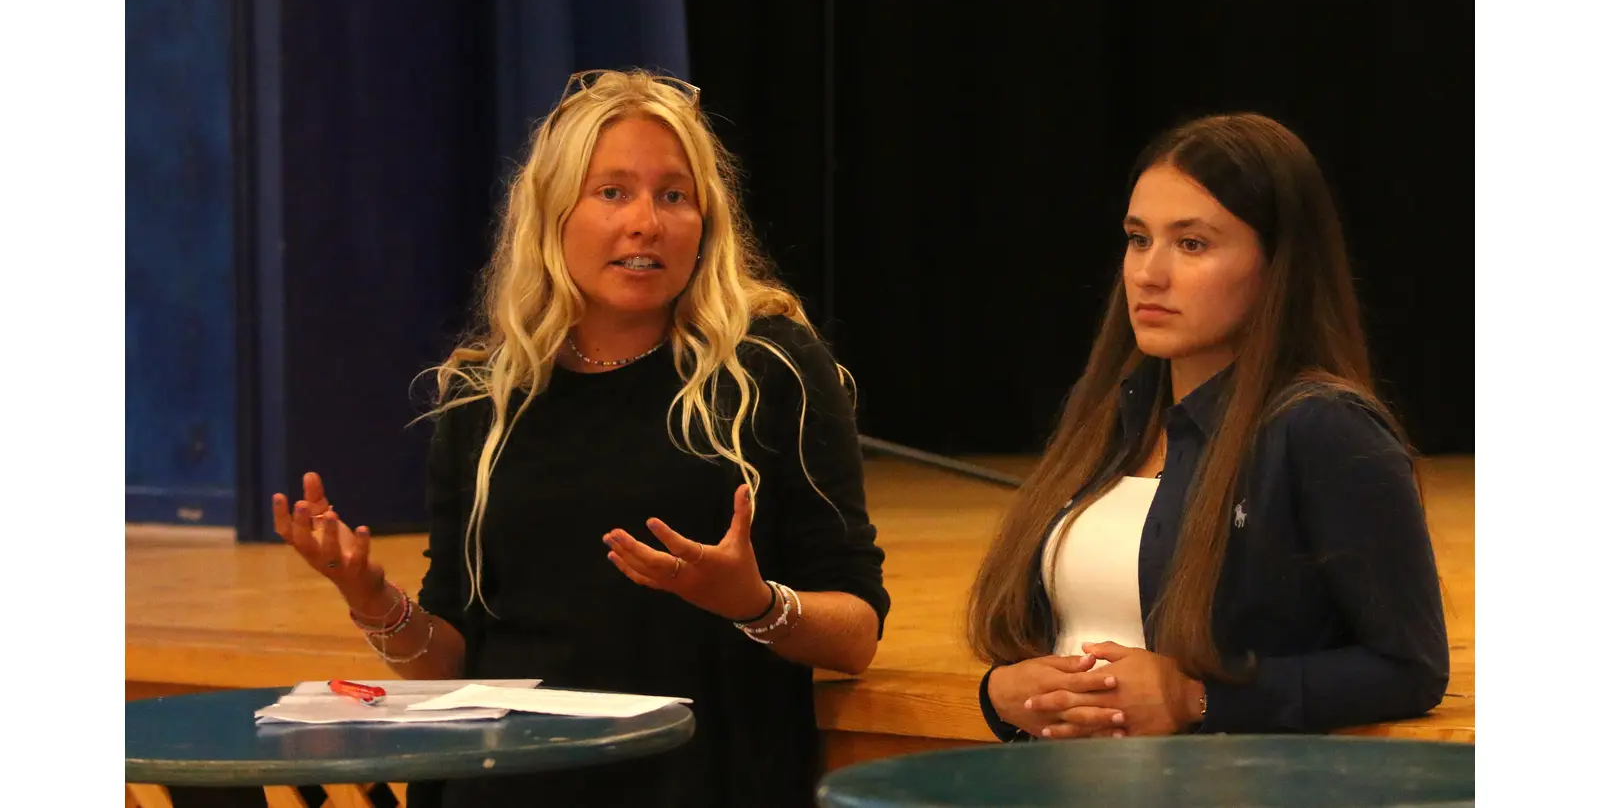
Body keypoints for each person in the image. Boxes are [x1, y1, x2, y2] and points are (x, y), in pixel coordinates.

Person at [272, 69, 889, 807]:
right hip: (505, 787)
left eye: (674, 195)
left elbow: (854, 634)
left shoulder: (770, 367)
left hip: (698, 780)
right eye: (612, 192)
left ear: (707, 223)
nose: (645, 223)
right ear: (552, 214)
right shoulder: (484, 398)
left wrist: (751, 601)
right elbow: (453, 664)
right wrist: (369, 596)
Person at [967, 112, 1448, 741]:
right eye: (1138, 238)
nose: (1148, 273)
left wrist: (1198, 699)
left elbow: (1408, 668)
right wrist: (1001, 691)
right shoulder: (1111, 412)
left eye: (1191, 244)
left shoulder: (1324, 429)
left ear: (1277, 263)